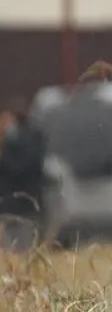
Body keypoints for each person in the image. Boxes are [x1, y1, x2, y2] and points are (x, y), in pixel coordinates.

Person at [0, 93, 47, 251]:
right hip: (16, 204)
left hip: (22, 204)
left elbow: (20, 167)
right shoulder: (34, 135)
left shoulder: (26, 138)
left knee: (21, 246)